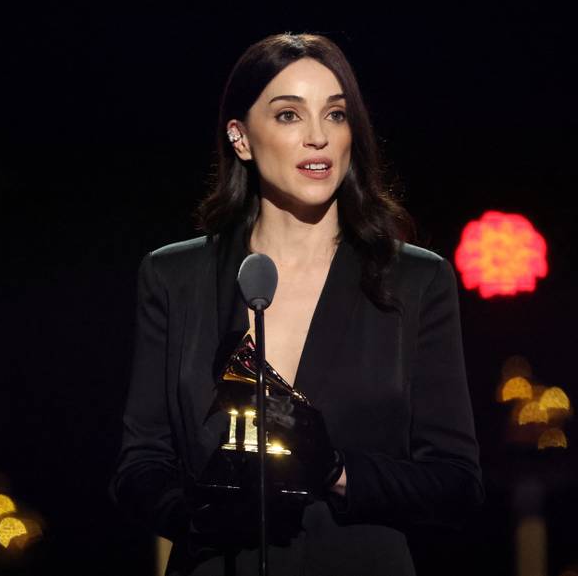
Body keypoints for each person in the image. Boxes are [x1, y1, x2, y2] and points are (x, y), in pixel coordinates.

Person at [111, 32, 484, 576]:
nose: (318, 137)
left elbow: (456, 482)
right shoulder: (174, 276)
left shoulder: (413, 279)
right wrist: (199, 515)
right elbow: (139, 466)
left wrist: (334, 471)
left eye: (335, 115)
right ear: (240, 137)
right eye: (289, 115)